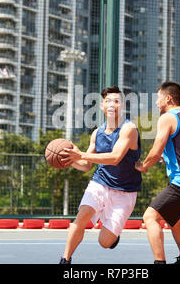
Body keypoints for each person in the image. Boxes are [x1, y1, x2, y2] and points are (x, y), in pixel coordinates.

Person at [57, 85, 142, 264]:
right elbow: (86, 165)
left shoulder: (129, 129)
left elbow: (115, 158)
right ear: (102, 106)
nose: (112, 104)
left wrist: (80, 154)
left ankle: (112, 234)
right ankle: (65, 260)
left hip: (124, 192)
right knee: (80, 219)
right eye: (107, 101)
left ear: (123, 106)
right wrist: (70, 160)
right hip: (100, 183)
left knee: (104, 242)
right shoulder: (97, 133)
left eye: (116, 101)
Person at [135, 81, 180, 264]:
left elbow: (156, 149)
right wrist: (165, 158)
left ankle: (160, 262)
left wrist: (144, 165)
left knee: (149, 216)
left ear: (168, 98)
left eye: (158, 98)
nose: (157, 102)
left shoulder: (166, 118)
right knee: (173, 219)